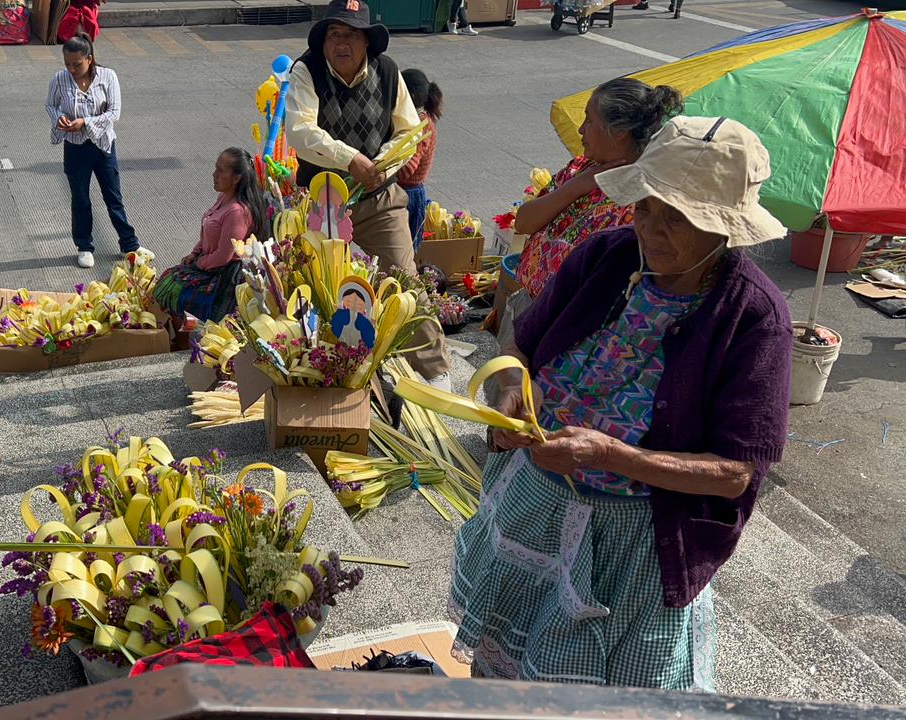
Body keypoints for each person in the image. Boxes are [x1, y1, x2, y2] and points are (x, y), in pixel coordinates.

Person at [451, 116, 792, 691]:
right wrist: (513, 387)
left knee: (612, 692)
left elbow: (733, 474)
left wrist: (612, 456)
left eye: (679, 217)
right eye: (645, 207)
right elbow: (521, 342)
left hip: (636, 543)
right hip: (536, 500)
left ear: (725, 229)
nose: (652, 230)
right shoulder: (606, 256)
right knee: (503, 666)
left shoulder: (755, 317)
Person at [286, 0, 450, 388]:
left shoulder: (388, 72)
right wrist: (350, 159)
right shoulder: (306, 71)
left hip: (379, 201)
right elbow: (299, 131)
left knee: (404, 283)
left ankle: (436, 374)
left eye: (352, 35)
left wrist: (385, 167)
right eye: (334, 34)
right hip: (323, 202)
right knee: (317, 292)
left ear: (366, 42)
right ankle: (319, 376)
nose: (342, 43)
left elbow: (410, 132)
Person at [498, 78, 682, 346]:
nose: (581, 129)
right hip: (527, 308)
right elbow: (524, 223)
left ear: (619, 131)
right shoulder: (581, 169)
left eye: (589, 120)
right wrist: (577, 186)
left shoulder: (643, 199)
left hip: (570, 336)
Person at [46, 33, 144, 269]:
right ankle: (85, 246)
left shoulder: (108, 76)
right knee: (80, 199)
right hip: (75, 148)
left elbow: (114, 112)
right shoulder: (59, 79)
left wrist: (85, 123)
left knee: (113, 197)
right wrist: (60, 119)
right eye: (67, 64)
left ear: (89, 59)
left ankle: (130, 244)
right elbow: (50, 104)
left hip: (103, 146)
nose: (72, 69)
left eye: (77, 64)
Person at [153, 148, 267, 322]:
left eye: (221, 170)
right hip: (208, 264)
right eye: (216, 168)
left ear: (236, 178)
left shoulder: (238, 212)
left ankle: (185, 334)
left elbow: (223, 256)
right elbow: (207, 229)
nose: (214, 174)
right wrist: (194, 253)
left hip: (223, 275)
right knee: (168, 279)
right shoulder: (224, 197)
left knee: (172, 290)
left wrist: (199, 263)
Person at [396, 69, 442, 251]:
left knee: (404, 253)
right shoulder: (417, 119)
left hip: (409, 195)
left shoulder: (421, 126)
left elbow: (408, 169)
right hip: (407, 192)